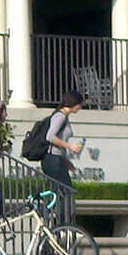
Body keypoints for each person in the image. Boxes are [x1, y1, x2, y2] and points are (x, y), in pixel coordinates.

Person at [39, 92, 85, 224]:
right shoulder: (60, 116)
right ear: (73, 104)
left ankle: (61, 222)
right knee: (66, 192)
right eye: (79, 104)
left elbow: (57, 144)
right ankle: (64, 224)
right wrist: (70, 147)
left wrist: (66, 161)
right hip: (52, 160)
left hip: (57, 159)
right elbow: (50, 137)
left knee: (61, 192)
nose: (80, 107)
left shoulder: (63, 116)